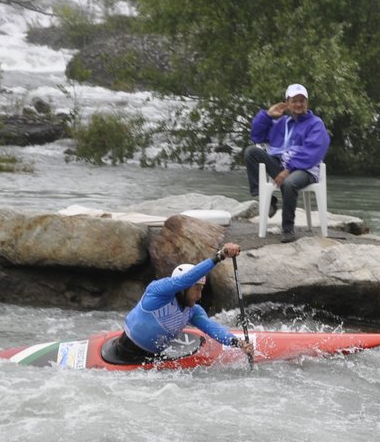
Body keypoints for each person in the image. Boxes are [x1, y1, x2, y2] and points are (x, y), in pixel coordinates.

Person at [103, 243, 255, 365]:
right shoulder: (157, 293)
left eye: (201, 289)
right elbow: (185, 280)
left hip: (153, 358)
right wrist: (220, 256)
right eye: (197, 289)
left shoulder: (193, 311)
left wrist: (239, 343)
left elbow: (213, 329)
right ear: (183, 289)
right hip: (124, 353)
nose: (199, 295)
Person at [243, 82, 331, 242]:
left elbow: (313, 152)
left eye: (302, 100)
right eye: (294, 100)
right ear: (287, 103)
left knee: (289, 183)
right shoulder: (280, 122)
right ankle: (268, 200)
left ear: (307, 103)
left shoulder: (315, 124)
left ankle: (288, 228)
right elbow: (256, 136)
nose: (298, 104)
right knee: (251, 152)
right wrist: (267, 116)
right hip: (280, 166)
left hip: (305, 170)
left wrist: (288, 169)